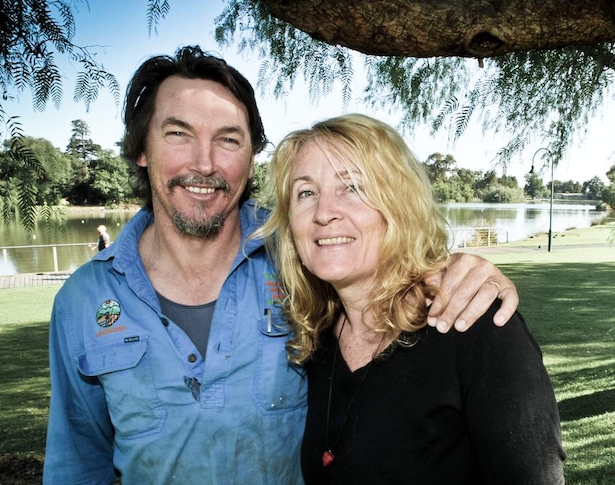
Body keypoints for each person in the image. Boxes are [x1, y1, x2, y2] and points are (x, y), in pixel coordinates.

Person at [43, 46, 519, 484]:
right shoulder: (83, 301)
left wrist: (458, 270)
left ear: (250, 160)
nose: (204, 163)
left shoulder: (303, 255)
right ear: (143, 150)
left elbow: (386, 263)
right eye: (178, 134)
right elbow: (78, 464)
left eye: (228, 140)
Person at [261, 113, 567, 484]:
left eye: (353, 187)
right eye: (306, 193)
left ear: (399, 206)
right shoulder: (318, 342)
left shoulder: (475, 327)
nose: (324, 213)